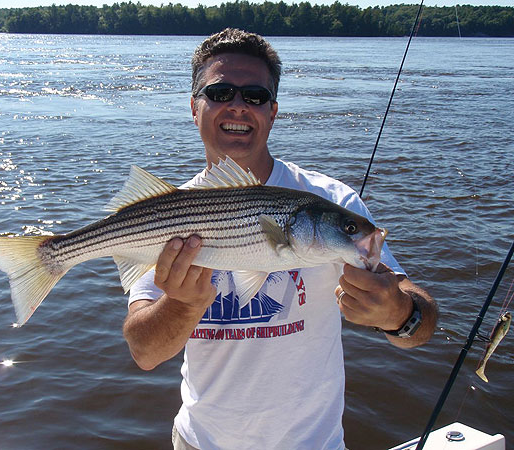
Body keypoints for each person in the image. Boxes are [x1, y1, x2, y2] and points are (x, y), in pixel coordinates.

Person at [123, 28, 437, 450]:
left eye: (254, 95)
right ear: (194, 107)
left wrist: (399, 312)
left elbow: (422, 329)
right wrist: (181, 304)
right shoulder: (162, 213)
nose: (237, 105)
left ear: (273, 111)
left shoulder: (332, 199)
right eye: (219, 92)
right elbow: (144, 352)